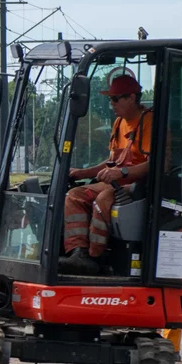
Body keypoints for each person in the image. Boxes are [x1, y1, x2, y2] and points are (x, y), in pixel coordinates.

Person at [61, 74, 152, 275]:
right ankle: (78, 254)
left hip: (138, 185)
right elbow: (112, 161)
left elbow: (154, 163)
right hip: (116, 182)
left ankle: (95, 258)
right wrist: (82, 172)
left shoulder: (148, 121)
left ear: (132, 97)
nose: (111, 103)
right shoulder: (119, 123)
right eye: (110, 98)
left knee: (102, 201)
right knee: (74, 196)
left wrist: (123, 172)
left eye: (115, 98)